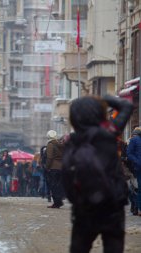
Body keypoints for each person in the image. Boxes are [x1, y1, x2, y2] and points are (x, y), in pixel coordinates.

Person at [63, 95, 133, 253]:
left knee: (79, 248)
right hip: (112, 204)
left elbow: (66, 174)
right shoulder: (109, 133)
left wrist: (76, 200)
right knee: (113, 247)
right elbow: (127, 106)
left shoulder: (72, 141)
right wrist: (105, 99)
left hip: (84, 206)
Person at [45, 130, 65, 208]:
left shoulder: (50, 144)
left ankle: (57, 202)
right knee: (59, 185)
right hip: (61, 167)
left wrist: (47, 167)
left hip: (53, 168)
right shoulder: (61, 145)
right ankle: (59, 201)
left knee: (53, 186)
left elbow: (49, 158)